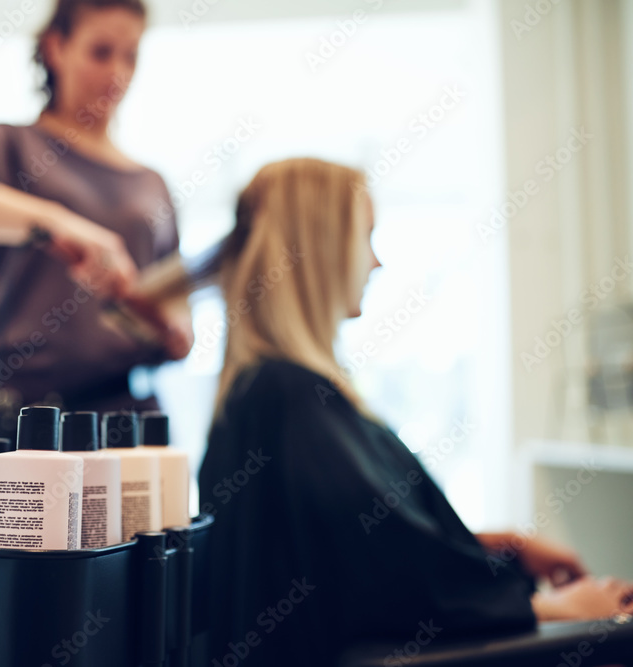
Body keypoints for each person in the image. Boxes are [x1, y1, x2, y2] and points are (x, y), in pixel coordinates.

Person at [198, 158, 633, 665]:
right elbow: (380, 570)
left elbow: (346, 544)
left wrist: (495, 545)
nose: (376, 262)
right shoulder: (288, 396)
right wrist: (545, 609)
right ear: (318, 247)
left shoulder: (276, 392)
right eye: (366, 236)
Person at [0, 0, 191, 441]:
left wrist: (163, 322)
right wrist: (56, 222)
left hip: (121, 420)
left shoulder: (153, 185)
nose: (118, 73)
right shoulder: (8, 147)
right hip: (11, 418)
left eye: (130, 55)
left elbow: (178, 319)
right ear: (56, 48)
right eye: (100, 52)